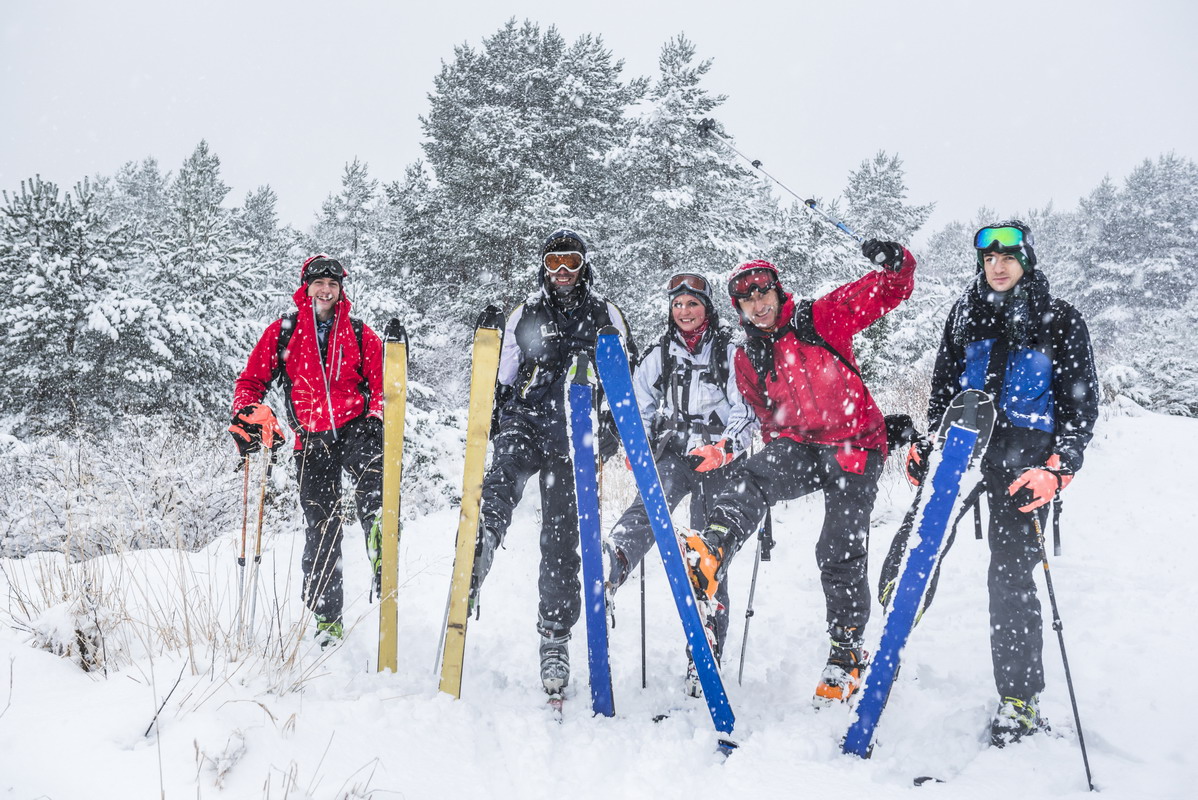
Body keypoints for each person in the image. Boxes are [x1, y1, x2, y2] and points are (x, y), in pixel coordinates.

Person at [682, 239, 916, 706]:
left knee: (837, 546)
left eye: (763, 292)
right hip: (802, 446)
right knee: (751, 477)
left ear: (777, 290)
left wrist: (895, 264)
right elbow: (765, 415)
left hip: (855, 446)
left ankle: (846, 654)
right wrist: (774, 453)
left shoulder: (819, 318)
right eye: (746, 298)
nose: (757, 303)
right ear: (738, 307)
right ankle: (712, 550)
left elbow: (888, 290)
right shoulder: (749, 357)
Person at [914, 220, 1098, 746]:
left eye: (1008, 257)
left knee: (1010, 579)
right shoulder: (965, 313)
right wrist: (927, 445)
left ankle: (1019, 696)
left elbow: (1080, 409)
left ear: (1027, 260)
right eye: (990, 258)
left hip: (1027, 467)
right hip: (963, 458)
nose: (998, 266)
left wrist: (1058, 469)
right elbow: (943, 390)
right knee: (915, 558)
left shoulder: (1058, 319)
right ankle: (885, 660)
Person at [470, 229, 636, 697]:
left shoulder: (606, 315)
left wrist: (607, 433)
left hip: (575, 435)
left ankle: (555, 636)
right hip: (528, 420)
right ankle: (480, 544)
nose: (563, 272)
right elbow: (503, 379)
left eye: (571, 262)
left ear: (584, 265)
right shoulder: (527, 313)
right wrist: (497, 423)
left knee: (562, 538)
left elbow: (626, 384)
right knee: (503, 474)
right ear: (543, 266)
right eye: (554, 262)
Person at [603, 272, 757, 694]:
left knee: (709, 551)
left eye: (692, 304)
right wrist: (637, 448)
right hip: (673, 453)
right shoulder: (660, 353)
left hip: (717, 459)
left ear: (707, 308)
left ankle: (705, 647)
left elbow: (746, 410)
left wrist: (725, 448)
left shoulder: (730, 351)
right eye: (678, 305)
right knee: (648, 508)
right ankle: (612, 564)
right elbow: (637, 403)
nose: (685, 312)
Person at [230, 254, 384, 646]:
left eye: (333, 283)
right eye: (319, 283)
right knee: (321, 526)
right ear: (306, 287)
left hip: (356, 429)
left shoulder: (359, 333)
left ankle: (381, 536)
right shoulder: (284, 333)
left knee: (373, 479)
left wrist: (377, 416)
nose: (326, 289)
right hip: (311, 439)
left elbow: (385, 387)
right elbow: (251, 382)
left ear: (341, 289)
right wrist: (249, 412)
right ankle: (327, 617)